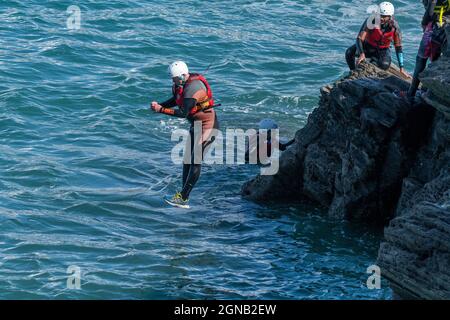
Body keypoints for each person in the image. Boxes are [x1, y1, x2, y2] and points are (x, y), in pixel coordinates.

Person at [151, 61, 219, 208]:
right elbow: (176, 101)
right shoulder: (180, 85)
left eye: (174, 78)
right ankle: (182, 195)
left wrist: (160, 110)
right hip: (196, 125)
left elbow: (183, 113)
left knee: (195, 161)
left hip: (208, 126)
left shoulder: (194, 88)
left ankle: (183, 198)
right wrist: (161, 105)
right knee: (187, 160)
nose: (172, 81)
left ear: (182, 75)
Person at [345, 2, 409, 77]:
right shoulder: (371, 21)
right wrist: (361, 54)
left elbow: (398, 47)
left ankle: (372, 62)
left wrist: (401, 67)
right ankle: (353, 71)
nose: (381, 18)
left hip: (382, 50)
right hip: (367, 47)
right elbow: (359, 39)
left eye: (384, 16)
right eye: (380, 15)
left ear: (390, 16)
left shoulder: (395, 27)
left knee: (384, 65)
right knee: (349, 52)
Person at [404, 0, 450, 102]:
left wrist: (424, 23)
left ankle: (411, 93)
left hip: (435, 25)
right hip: (447, 28)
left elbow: (430, 11)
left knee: (421, 59)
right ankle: (427, 90)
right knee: (436, 58)